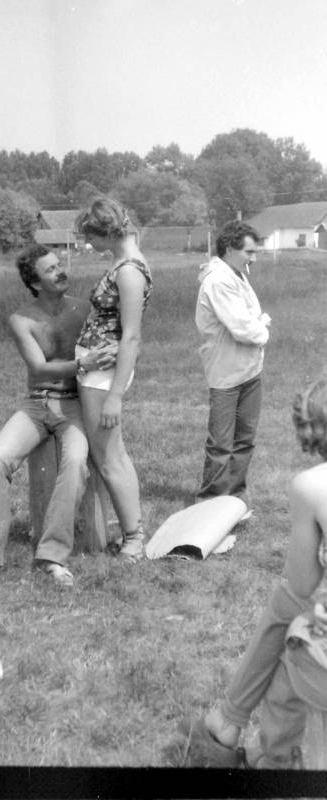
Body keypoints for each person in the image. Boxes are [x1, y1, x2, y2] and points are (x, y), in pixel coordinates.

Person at [0, 244, 115, 589]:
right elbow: (39, 369)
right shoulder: (21, 319)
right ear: (34, 282)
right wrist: (82, 364)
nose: (61, 272)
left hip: (74, 404)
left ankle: (52, 556)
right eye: (51, 269)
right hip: (36, 403)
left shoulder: (83, 310)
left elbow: (111, 341)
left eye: (59, 264)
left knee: (76, 462)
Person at [189, 378, 327, 769]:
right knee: (301, 633)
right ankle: (268, 752)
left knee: (294, 624)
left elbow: (300, 587)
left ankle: (239, 728)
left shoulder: (314, 486)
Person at [75, 197, 153, 563]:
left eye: (90, 236)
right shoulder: (123, 262)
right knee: (111, 455)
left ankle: (134, 538)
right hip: (97, 369)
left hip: (105, 376)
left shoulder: (129, 271)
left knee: (110, 458)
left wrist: (115, 396)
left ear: (106, 232)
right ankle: (128, 530)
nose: (88, 243)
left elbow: (132, 337)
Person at [195, 220, 271, 506]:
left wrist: (257, 324)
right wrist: (262, 328)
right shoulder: (218, 280)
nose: (254, 258)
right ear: (229, 249)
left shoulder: (236, 274)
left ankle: (235, 499)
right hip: (226, 374)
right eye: (249, 252)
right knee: (221, 445)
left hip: (249, 370)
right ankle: (209, 503)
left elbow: (250, 320)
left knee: (244, 440)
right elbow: (244, 328)